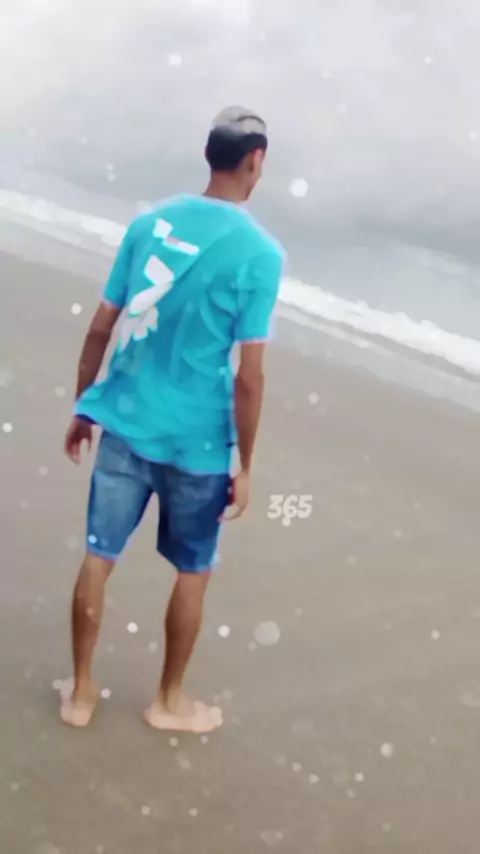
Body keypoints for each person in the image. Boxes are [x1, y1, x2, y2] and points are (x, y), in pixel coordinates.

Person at [62, 106, 285, 733]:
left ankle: (80, 694)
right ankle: (168, 701)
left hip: (127, 422)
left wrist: (85, 405)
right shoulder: (260, 254)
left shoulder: (150, 224)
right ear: (256, 161)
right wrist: (246, 464)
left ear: (210, 154)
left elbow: (101, 326)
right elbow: (249, 375)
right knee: (193, 569)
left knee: (99, 556)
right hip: (198, 444)